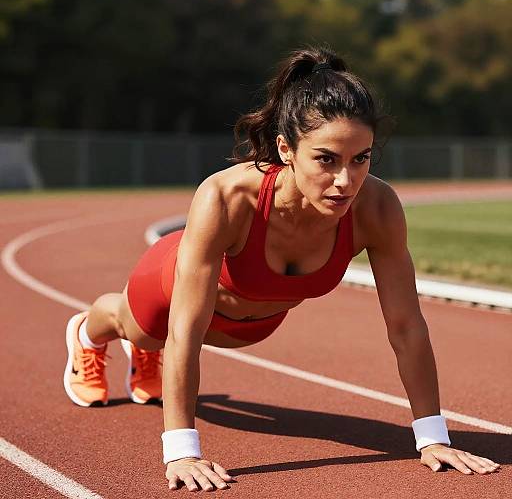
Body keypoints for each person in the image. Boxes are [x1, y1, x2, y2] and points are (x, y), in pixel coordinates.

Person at [63, 46, 500, 492]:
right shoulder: (228, 198)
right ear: (286, 149)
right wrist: (181, 449)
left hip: (253, 324)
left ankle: (146, 358)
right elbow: (186, 329)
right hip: (171, 291)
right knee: (144, 330)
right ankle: (86, 333)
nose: (345, 181)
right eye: (326, 159)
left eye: (361, 158)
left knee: (168, 339)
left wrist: (432, 439)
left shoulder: (378, 208)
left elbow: (406, 327)